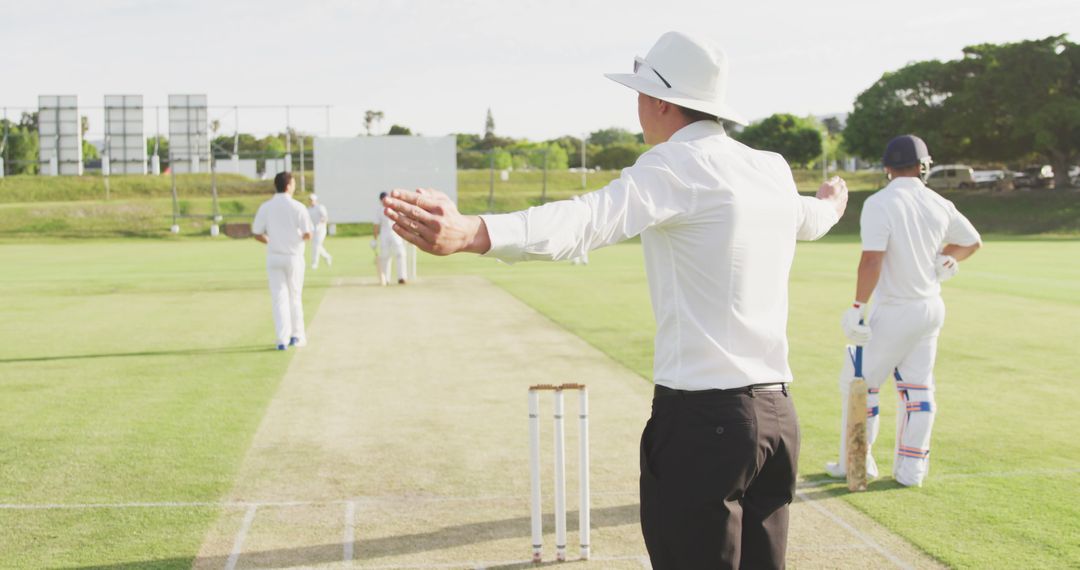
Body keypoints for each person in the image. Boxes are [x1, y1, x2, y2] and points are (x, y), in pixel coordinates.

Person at [382, 31, 848, 569]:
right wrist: (832, 202)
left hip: (705, 421)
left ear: (661, 101)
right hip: (777, 420)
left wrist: (474, 230)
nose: (636, 109)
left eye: (640, 95)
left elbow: (586, 220)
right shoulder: (769, 168)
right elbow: (810, 219)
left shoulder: (674, 165)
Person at [828, 134, 981, 487]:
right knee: (918, 388)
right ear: (924, 166)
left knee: (859, 382)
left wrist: (856, 306)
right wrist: (948, 258)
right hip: (930, 308)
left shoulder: (881, 203)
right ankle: (911, 471)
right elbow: (972, 241)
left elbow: (872, 258)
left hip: (895, 308)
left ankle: (857, 463)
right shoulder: (938, 201)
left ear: (886, 168)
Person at [252, 172, 314, 350]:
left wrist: (271, 241)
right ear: (289, 186)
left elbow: (257, 233)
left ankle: (281, 339)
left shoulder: (266, 206)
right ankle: (297, 335)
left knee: (279, 298)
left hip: (274, 256)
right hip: (293, 256)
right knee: (294, 296)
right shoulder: (297, 207)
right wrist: (296, 238)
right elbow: (308, 233)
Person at [374, 191, 408, 285]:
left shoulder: (394, 207)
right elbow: (376, 225)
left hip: (395, 233)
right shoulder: (379, 210)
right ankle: (386, 279)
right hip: (386, 234)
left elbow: (401, 220)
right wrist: (375, 239)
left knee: (399, 254)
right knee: (386, 256)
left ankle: (401, 277)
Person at [308, 193, 333, 269]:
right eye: (310, 200)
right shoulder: (308, 209)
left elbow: (325, 217)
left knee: (316, 246)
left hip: (321, 230)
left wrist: (321, 223)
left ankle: (314, 263)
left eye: (312, 200)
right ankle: (327, 256)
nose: (311, 201)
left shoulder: (320, 207)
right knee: (317, 246)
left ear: (315, 200)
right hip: (313, 230)